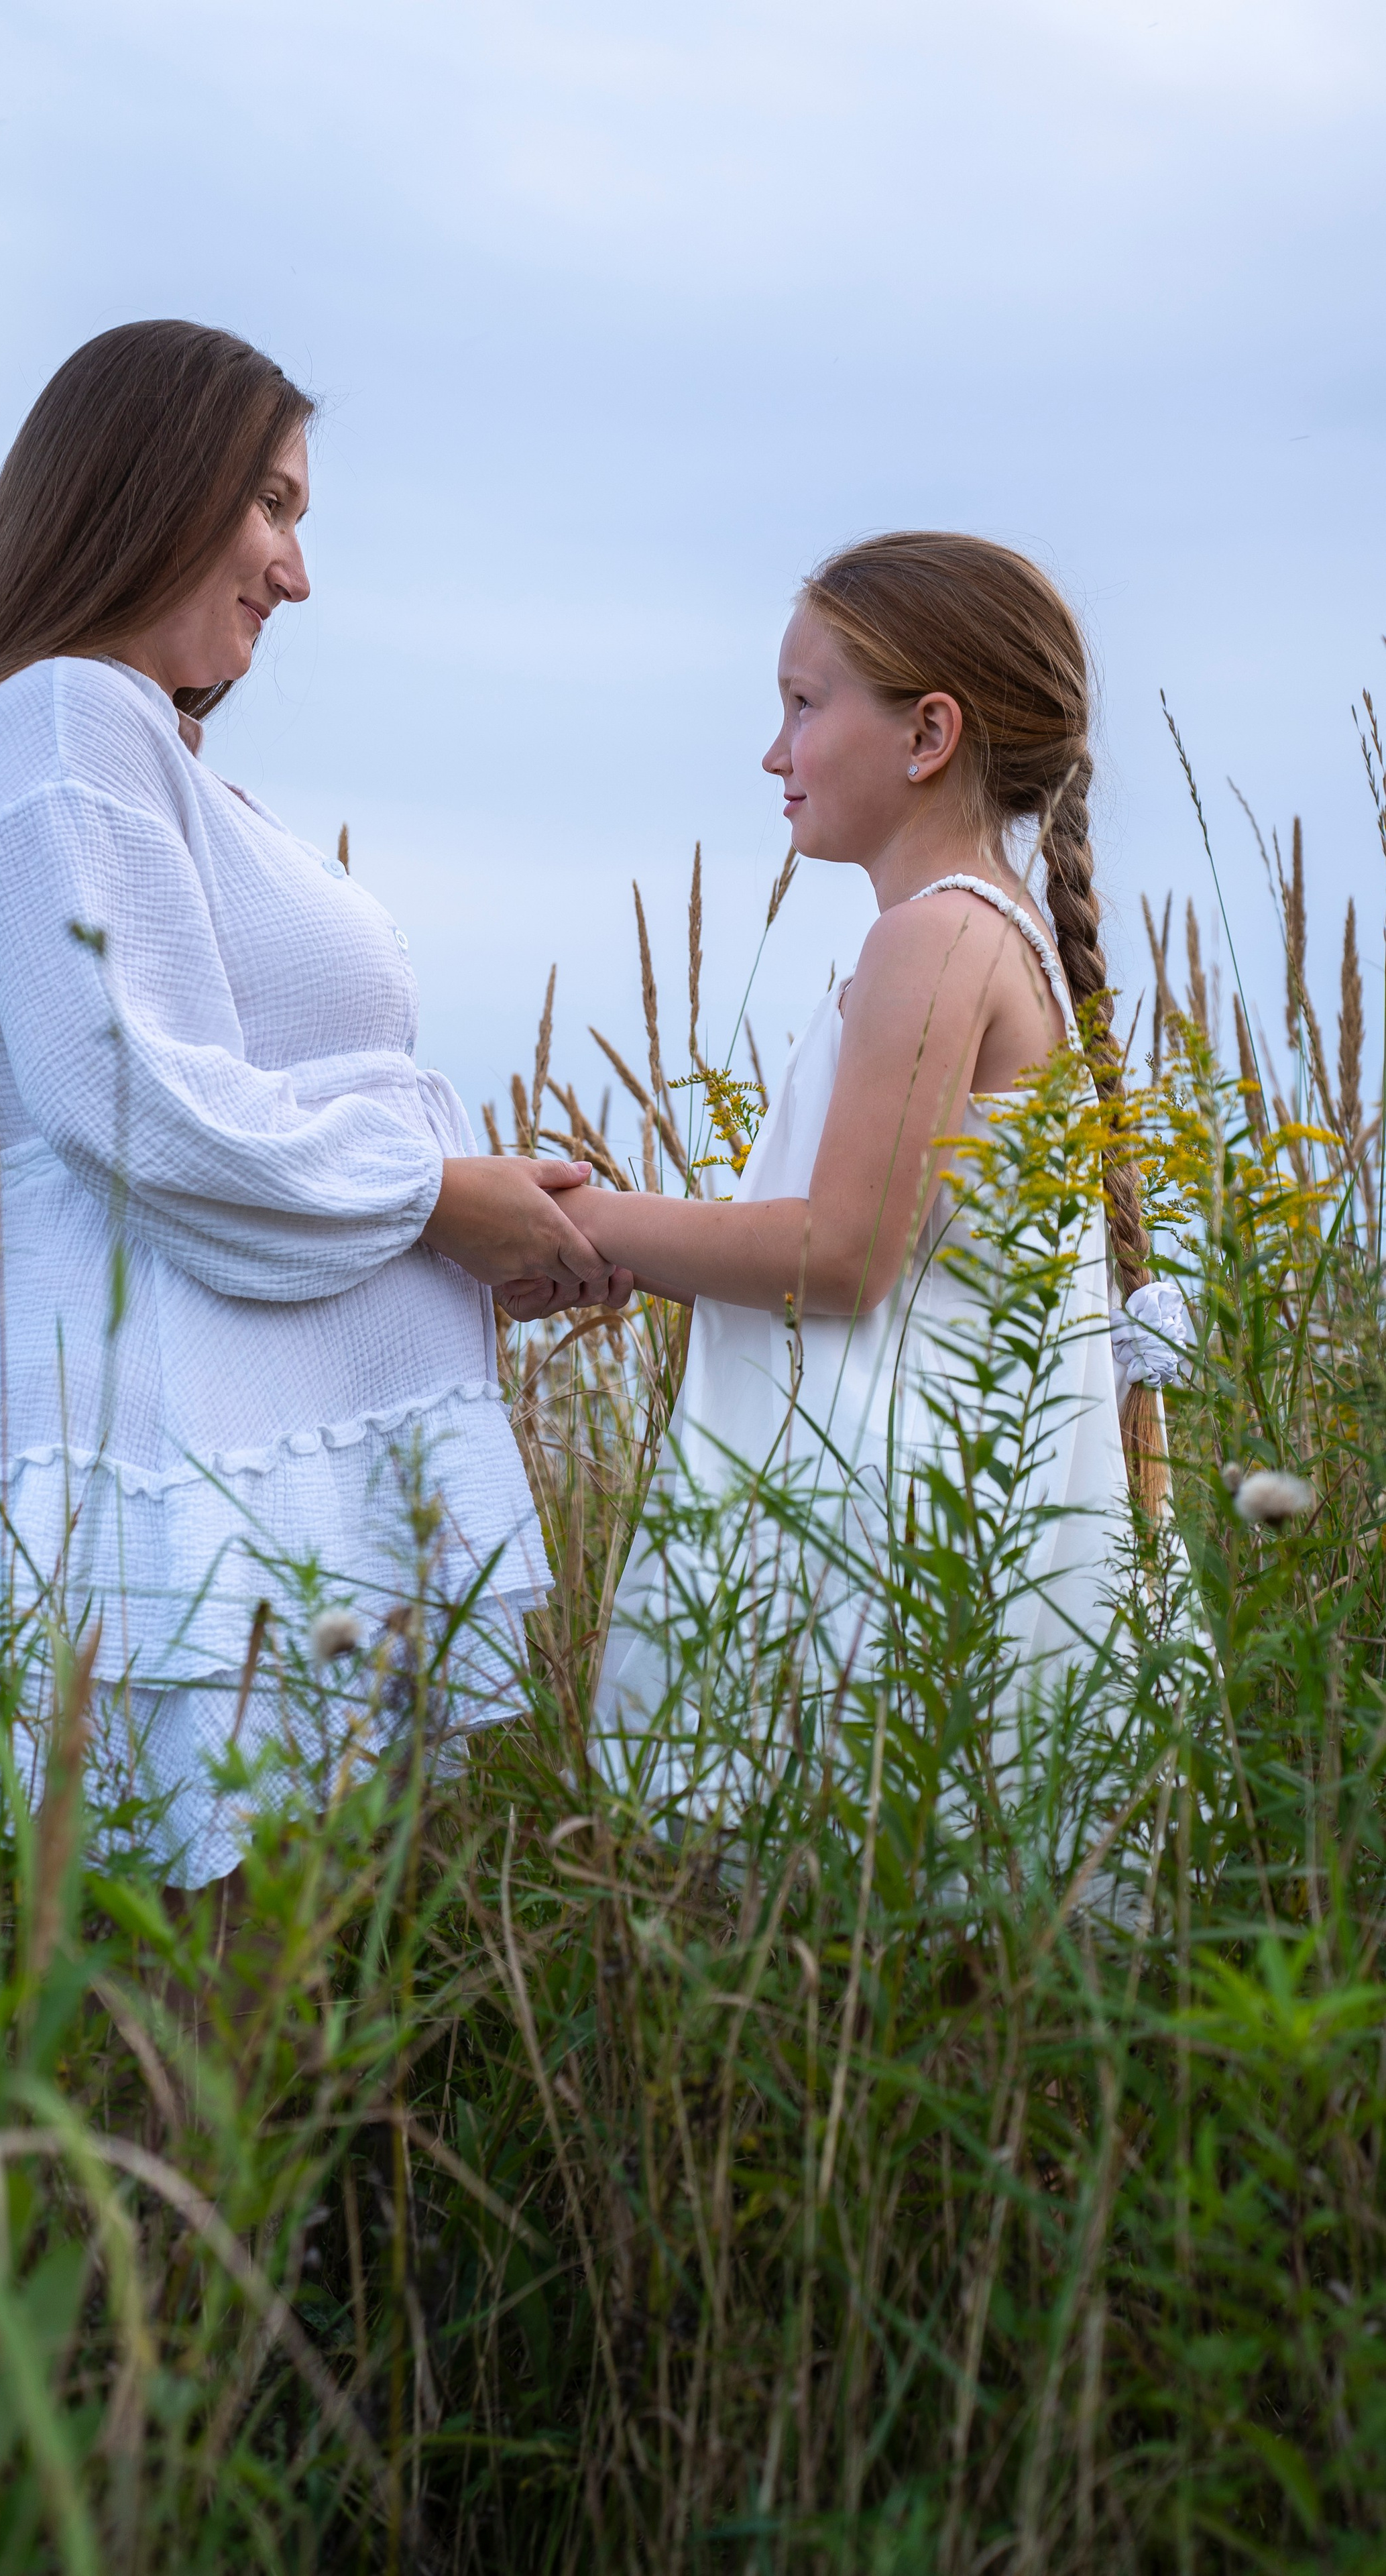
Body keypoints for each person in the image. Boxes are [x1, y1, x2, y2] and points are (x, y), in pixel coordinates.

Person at [0, 319, 627, 1889]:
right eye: (270, 507)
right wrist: (432, 1199)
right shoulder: (64, 719)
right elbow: (145, 1106)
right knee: (169, 2046)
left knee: (233, 2045)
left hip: (233, 1455)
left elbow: (208, 1118)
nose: (294, 573)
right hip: (166, 1468)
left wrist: (464, 1236)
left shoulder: (147, 752)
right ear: (147, 486)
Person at [499, 532, 1179, 1811]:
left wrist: (573, 1220)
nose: (775, 754)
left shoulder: (937, 940)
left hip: (895, 1547)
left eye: (803, 707)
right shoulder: (990, 937)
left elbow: (843, 1254)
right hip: (952, 1523)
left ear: (929, 734)